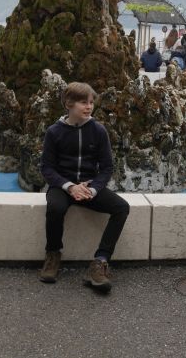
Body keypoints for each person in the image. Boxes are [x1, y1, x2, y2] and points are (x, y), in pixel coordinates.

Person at [39, 82, 130, 291]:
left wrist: (93, 189)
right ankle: (53, 255)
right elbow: (47, 168)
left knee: (121, 207)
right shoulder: (54, 132)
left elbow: (107, 167)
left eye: (91, 102)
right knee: (55, 207)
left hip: (90, 186)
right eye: (83, 102)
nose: (89, 107)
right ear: (69, 104)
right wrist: (70, 186)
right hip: (62, 185)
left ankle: (100, 262)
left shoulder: (98, 130)